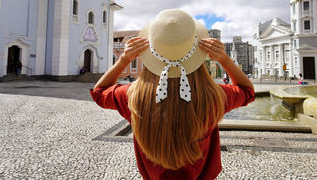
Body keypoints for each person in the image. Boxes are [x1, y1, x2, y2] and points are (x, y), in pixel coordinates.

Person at [90, 9, 255, 180]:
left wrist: (123, 59)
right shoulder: (214, 96)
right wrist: (224, 59)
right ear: (196, 56)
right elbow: (247, 91)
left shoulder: (133, 96)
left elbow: (98, 92)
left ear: (150, 56)